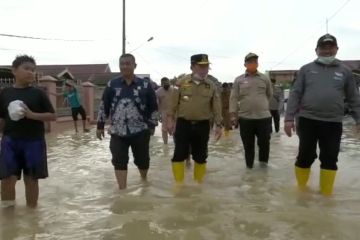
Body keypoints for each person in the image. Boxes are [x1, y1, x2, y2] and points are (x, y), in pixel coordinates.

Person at [284, 34, 360, 196]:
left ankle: (326, 197)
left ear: (336, 49)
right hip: (307, 120)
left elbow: (354, 98)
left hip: (333, 122)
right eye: (323, 47)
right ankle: (301, 192)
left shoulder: (345, 72)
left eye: (330, 47)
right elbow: (295, 94)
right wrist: (289, 118)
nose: (327, 50)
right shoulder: (306, 69)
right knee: (305, 156)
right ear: (316, 50)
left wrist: (358, 120)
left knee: (330, 158)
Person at [0, 55, 56, 208]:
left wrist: (31, 115)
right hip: (10, 141)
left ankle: (32, 215)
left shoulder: (38, 93)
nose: (31, 72)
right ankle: (9, 217)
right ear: (14, 70)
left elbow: (52, 115)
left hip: (34, 141)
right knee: (6, 179)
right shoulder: (5, 93)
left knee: (31, 180)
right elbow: (2, 118)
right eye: (26, 68)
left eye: (33, 70)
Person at [96, 53, 158, 190]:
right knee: (119, 160)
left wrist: (151, 126)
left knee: (143, 161)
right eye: (122, 64)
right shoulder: (112, 84)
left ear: (135, 65)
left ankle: (144, 181)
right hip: (118, 131)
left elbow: (153, 107)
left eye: (128, 63)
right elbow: (103, 106)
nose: (124, 66)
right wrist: (99, 126)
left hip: (140, 131)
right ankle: (122, 191)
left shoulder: (146, 85)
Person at [167, 54, 222, 184]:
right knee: (179, 155)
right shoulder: (180, 83)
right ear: (192, 67)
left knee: (201, 156)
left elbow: (216, 107)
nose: (205, 70)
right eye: (201, 66)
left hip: (202, 125)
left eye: (207, 66)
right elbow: (172, 104)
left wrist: (218, 125)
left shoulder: (211, 86)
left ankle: (198, 185)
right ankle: (179, 185)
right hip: (183, 124)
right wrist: (169, 120)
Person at [229, 53, 273, 169]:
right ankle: (249, 169)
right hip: (245, 118)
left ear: (258, 64)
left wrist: (260, 105)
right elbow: (233, 98)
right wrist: (233, 114)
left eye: (255, 61)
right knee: (248, 146)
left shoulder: (265, 78)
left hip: (263, 118)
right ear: (245, 64)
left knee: (264, 145)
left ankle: (264, 170)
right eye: (250, 62)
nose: (253, 64)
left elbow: (269, 94)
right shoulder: (239, 80)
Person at [156, 77, 172, 144]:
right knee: (164, 130)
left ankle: (177, 144)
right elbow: (158, 104)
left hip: (173, 112)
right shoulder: (158, 92)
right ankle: (165, 144)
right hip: (163, 112)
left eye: (167, 83)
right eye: (164, 83)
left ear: (169, 83)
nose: (166, 84)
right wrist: (158, 115)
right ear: (161, 84)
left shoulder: (174, 90)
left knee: (174, 129)